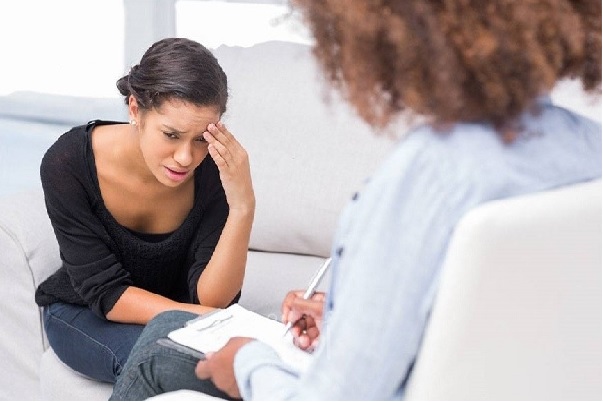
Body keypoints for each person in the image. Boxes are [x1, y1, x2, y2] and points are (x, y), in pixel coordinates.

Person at [110, 0, 602, 400]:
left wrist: (249, 364)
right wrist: (352, 317)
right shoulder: (589, 149)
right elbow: (502, 321)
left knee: (158, 351)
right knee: (171, 325)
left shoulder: (427, 175)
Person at [34, 37, 255, 392]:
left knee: (239, 370)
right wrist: (202, 319)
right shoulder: (69, 163)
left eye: (201, 138)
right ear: (135, 109)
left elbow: (212, 300)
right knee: (164, 363)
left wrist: (243, 206)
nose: (185, 157)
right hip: (86, 314)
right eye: (171, 134)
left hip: (181, 317)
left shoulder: (214, 169)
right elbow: (106, 293)